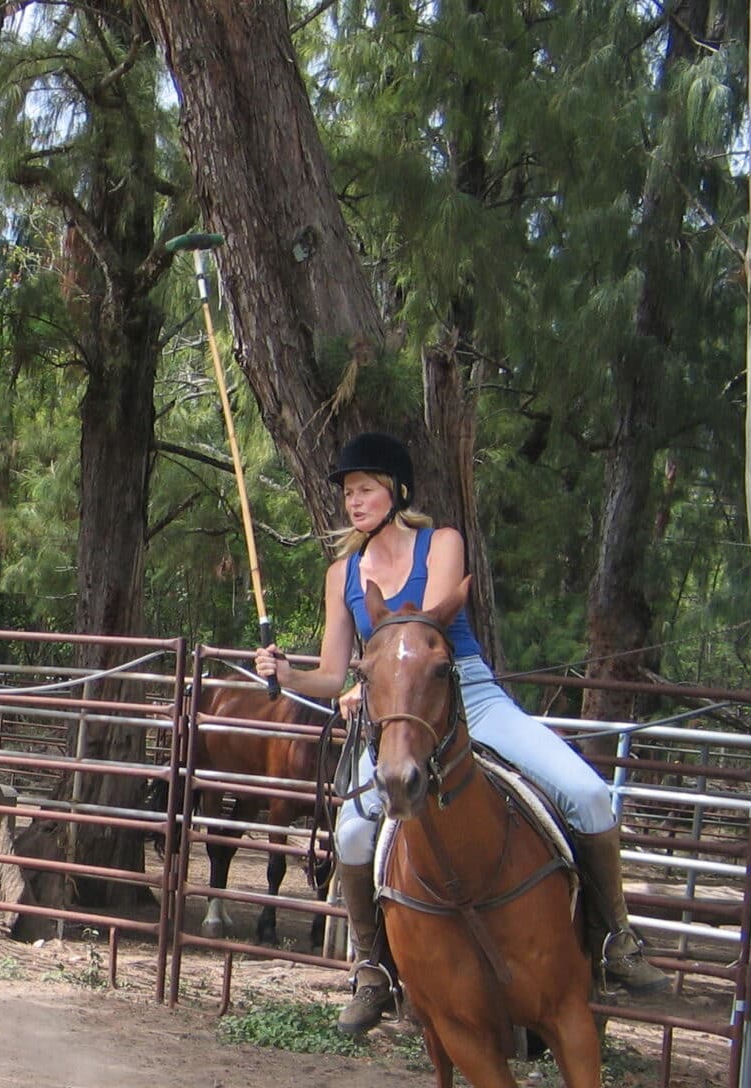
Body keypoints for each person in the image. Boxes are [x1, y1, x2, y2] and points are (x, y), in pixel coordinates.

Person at [254, 431, 669, 1036]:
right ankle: (372, 971)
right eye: (348, 492)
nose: (353, 501)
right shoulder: (341, 574)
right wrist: (285, 671)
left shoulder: (442, 543)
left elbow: (428, 630)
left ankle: (615, 941)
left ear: (397, 492)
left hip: (467, 691)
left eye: (365, 489)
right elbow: (332, 674)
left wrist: (383, 672)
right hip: (395, 713)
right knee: (351, 834)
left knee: (588, 793)